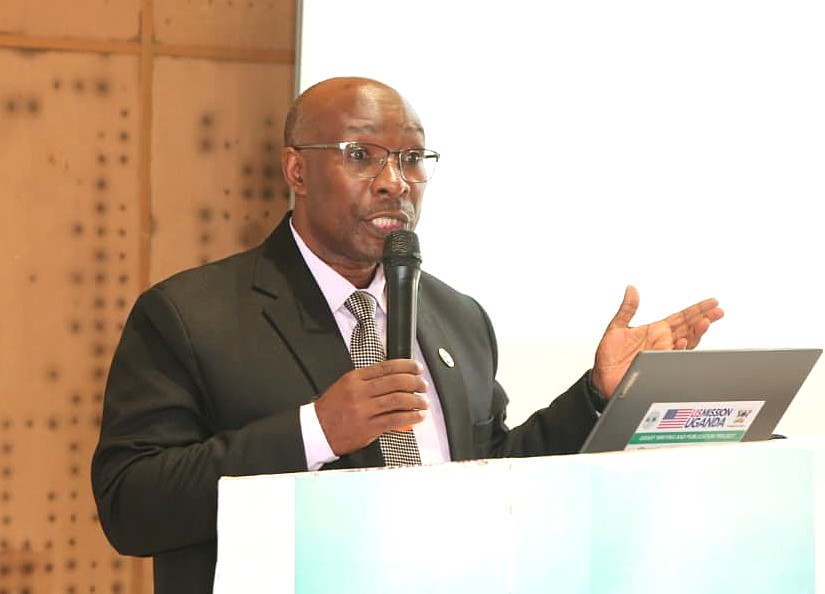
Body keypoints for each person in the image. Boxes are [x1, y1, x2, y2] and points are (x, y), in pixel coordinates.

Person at [91, 76, 724, 593]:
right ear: (297, 170)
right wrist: (316, 431)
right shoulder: (188, 315)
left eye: (413, 158)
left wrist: (597, 394)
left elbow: (491, 475)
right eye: (362, 156)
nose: (396, 180)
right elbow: (131, 506)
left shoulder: (458, 316)